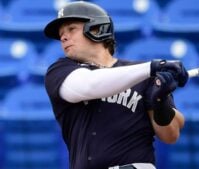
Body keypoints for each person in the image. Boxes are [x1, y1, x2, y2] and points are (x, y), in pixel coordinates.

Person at [43, 1, 189, 169]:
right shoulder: (60, 71)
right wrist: (151, 67)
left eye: (71, 29)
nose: (63, 37)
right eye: (61, 33)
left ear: (97, 29)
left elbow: (170, 135)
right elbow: (90, 85)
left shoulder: (145, 76)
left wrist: (160, 102)